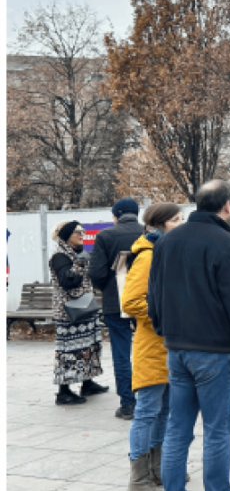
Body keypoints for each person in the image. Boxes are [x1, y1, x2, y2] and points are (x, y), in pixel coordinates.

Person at [147, 180, 230, 491]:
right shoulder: (227, 244)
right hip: (214, 352)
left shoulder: (166, 241)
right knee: (216, 431)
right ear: (227, 205)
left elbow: (154, 297)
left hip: (177, 349)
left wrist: (165, 331)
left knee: (177, 429)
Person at [121, 203, 189, 489]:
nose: (181, 224)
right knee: (148, 410)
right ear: (159, 224)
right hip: (152, 345)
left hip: (168, 345)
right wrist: (166, 315)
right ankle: (139, 477)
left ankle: (158, 468)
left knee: (164, 411)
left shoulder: (165, 250)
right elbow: (131, 302)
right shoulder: (148, 255)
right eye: (176, 220)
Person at [88, 197, 144, 419]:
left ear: (116, 215)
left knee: (121, 354)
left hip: (116, 301)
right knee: (146, 349)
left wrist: (109, 288)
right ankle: (150, 398)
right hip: (146, 301)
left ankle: (128, 404)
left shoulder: (105, 236)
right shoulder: (148, 233)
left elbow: (96, 272)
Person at [49, 221, 108, 405]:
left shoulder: (76, 253)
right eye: (78, 232)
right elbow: (68, 281)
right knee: (69, 352)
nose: (82, 234)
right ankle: (63, 391)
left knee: (88, 348)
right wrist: (81, 265)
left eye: (83, 231)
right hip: (69, 313)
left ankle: (87, 383)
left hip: (84, 308)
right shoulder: (60, 256)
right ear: (67, 235)